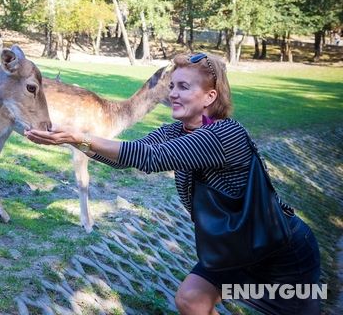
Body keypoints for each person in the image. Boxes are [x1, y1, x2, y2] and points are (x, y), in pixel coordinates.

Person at [25, 53, 321, 315]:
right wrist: (75, 141)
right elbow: (128, 157)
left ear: (209, 97)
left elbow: (151, 157)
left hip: (282, 253)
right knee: (191, 301)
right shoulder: (176, 131)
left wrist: (81, 137)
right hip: (236, 249)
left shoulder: (223, 136)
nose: (173, 94)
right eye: (172, 86)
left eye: (184, 87)